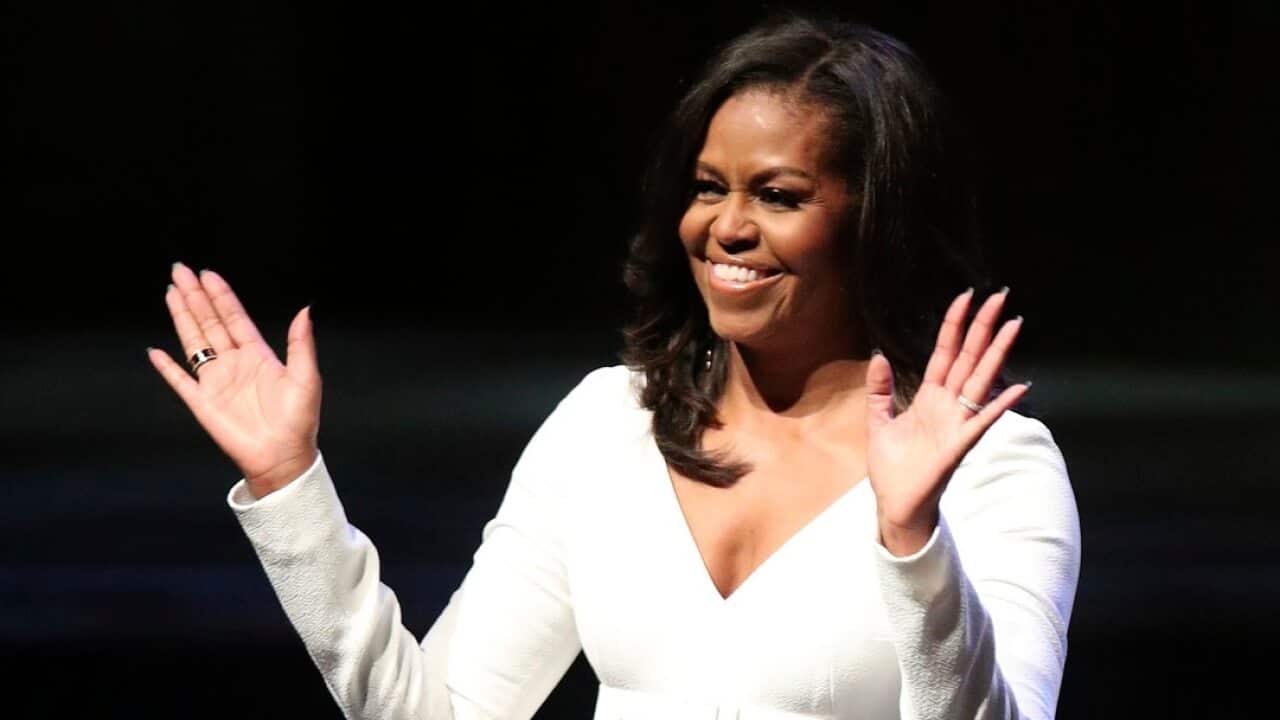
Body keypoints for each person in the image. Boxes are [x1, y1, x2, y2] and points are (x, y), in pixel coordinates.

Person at [147, 14, 1080, 720]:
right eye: (709, 186)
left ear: (877, 221)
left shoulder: (993, 467)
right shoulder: (611, 423)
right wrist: (288, 486)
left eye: (780, 195)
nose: (726, 226)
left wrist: (915, 541)